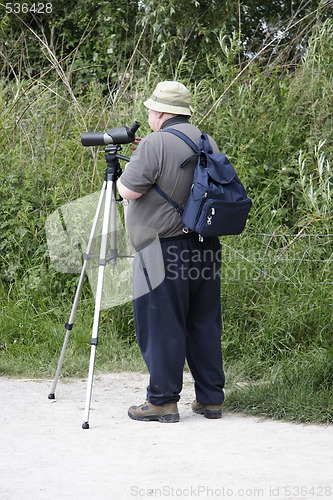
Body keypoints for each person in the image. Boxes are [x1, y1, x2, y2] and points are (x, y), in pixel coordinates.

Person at [117, 81, 225, 423]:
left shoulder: (154, 143)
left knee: (162, 323)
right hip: (206, 245)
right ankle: (210, 399)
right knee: (203, 322)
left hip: (163, 248)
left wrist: (117, 174)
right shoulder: (206, 140)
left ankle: (163, 400)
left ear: (162, 112)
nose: (148, 114)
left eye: (151, 109)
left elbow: (129, 191)